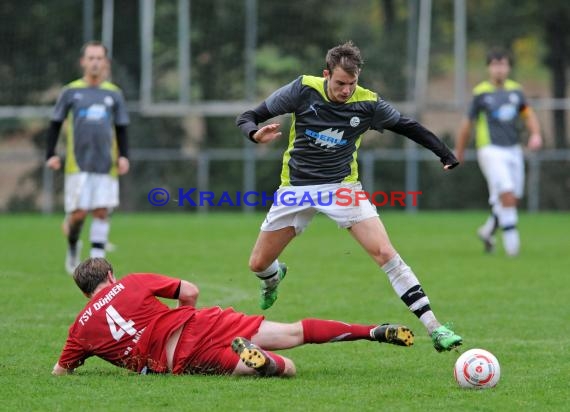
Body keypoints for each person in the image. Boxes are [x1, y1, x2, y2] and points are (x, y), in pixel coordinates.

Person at [236, 41, 462, 352]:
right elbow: (249, 115)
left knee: (385, 253)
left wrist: (444, 153)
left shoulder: (368, 104)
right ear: (326, 74)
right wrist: (253, 133)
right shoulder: (303, 89)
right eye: (340, 83)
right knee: (258, 263)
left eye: (352, 84)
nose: (346, 90)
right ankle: (273, 277)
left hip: (342, 189)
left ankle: (435, 327)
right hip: (296, 189)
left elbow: (407, 126)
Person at [52, 258, 415, 377]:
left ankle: (266, 363)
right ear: (111, 277)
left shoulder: (79, 329)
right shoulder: (131, 283)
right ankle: (371, 330)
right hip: (201, 322)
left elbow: (61, 372)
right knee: (294, 331)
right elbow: (190, 291)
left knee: (288, 368)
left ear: (86, 293)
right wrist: (185, 322)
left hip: (179, 357)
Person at [45, 40, 130, 275]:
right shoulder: (71, 91)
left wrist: (124, 156)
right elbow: (55, 123)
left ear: (106, 62)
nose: (95, 62)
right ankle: (73, 246)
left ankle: (98, 263)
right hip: (77, 164)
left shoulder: (114, 94)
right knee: (79, 214)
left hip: (106, 164)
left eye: (99, 58)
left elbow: (122, 128)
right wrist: (51, 154)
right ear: (83, 62)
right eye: (90, 58)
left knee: (101, 211)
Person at [455, 47, 542, 256]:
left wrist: (535, 134)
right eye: (495, 65)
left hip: (513, 149)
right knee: (507, 194)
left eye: (503, 64)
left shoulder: (516, 91)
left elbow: (528, 115)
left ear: (509, 67)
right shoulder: (481, 93)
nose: (499, 69)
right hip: (490, 150)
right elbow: (467, 124)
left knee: (511, 198)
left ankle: (486, 231)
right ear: (488, 68)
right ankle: (513, 249)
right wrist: (459, 151)